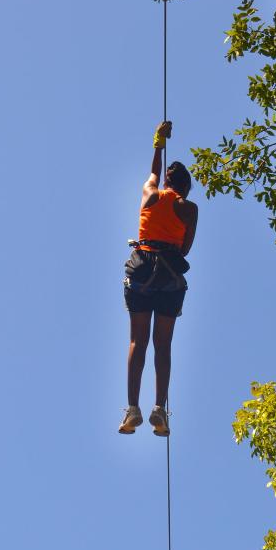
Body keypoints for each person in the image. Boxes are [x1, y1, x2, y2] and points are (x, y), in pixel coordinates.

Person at [119, 121, 198, 436]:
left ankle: (132, 410)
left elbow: (153, 172)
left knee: (138, 340)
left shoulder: (150, 194)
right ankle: (159, 409)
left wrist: (158, 141)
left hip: (141, 268)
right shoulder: (189, 208)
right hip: (168, 276)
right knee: (162, 344)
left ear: (166, 181)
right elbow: (186, 248)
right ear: (186, 187)